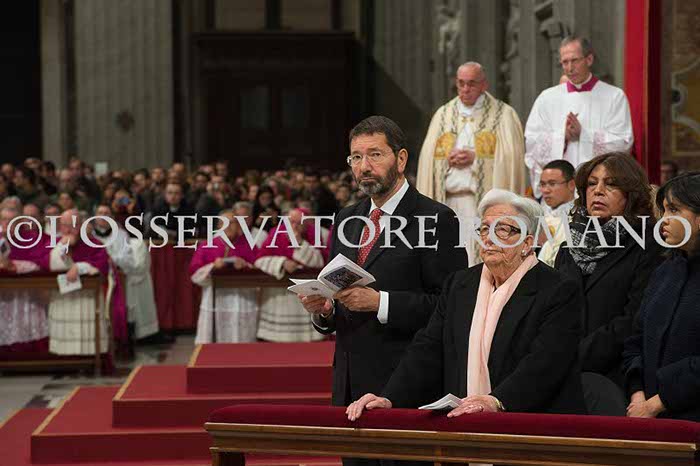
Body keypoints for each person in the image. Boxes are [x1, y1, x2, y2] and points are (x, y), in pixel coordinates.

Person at [346, 189, 585, 422]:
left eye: (502, 229)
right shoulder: (460, 284)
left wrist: (496, 401)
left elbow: (545, 362)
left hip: (534, 422)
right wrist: (390, 397)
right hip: (465, 420)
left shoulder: (558, 289)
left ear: (527, 243)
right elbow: (428, 348)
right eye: (484, 229)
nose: (489, 238)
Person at [301, 116, 468, 436]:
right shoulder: (347, 218)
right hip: (349, 383)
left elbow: (452, 307)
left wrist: (381, 303)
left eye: (375, 155)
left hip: (406, 383)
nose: (364, 166)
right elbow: (338, 296)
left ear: (401, 159)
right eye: (356, 157)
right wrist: (324, 311)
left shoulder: (436, 218)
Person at [554, 152, 663, 415]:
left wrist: (574, 356)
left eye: (611, 184)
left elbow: (634, 318)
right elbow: (552, 311)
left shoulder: (649, 244)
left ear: (631, 194)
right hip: (562, 376)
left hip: (620, 377)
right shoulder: (569, 247)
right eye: (592, 184)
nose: (598, 191)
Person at [416, 62, 526, 265]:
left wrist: (476, 159)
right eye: (461, 83)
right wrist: (446, 160)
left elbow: (511, 158)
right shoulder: (443, 115)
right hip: (447, 203)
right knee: (448, 260)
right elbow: (428, 160)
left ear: (484, 84)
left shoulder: (503, 115)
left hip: (482, 205)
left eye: (472, 83)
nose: (465, 89)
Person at [623, 172, 700, 422]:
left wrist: (658, 402)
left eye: (674, 210)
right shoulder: (665, 271)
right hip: (647, 414)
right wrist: (637, 395)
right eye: (664, 210)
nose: (663, 220)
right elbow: (636, 339)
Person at [525, 36, 634, 198]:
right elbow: (532, 143)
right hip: (560, 192)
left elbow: (623, 142)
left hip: (598, 189)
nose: (569, 68)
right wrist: (563, 137)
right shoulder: (547, 98)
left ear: (589, 59)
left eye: (574, 61)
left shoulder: (614, 96)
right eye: (565, 62)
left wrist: (584, 134)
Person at [255, 208, 327, 342]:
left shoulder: (314, 233)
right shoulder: (276, 232)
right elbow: (259, 260)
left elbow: (320, 262)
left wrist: (300, 242)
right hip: (279, 291)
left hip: (305, 291)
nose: (294, 226)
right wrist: (282, 262)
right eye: (291, 222)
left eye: (298, 223)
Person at [47, 210, 113, 355]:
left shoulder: (94, 244)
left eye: (73, 225)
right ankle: (63, 358)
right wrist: (62, 247)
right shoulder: (55, 243)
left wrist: (80, 267)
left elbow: (101, 266)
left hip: (87, 299)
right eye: (65, 225)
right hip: (62, 299)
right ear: (60, 227)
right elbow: (50, 265)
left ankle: (89, 357)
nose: (69, 230)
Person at [92, 204, 161, 343]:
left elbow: (126, 258)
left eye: (107, 213)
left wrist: (110, 260)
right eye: (100, 213)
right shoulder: (89, 235)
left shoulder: (121, 235)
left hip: (117, 277)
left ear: (112, 217)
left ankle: (122, 337)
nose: (103, 216)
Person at [190, 209, 258, 344]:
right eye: (224, 223)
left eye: (232, 223)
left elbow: (260, 269)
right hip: (215, 298)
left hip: (241, 298)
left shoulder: (249, 245)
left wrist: (245, 265)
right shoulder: (207, 245)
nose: (228, 226)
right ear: (218, 226)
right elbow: (194, 273)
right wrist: (213, 266)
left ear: (239, 226)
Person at [537, 160, 576, 266]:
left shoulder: (579, 219)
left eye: (552, 184)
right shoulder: (538, 216)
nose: (545, 190)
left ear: (571, 185)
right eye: (542, 184)